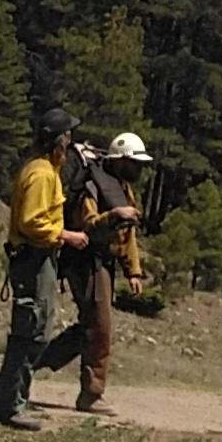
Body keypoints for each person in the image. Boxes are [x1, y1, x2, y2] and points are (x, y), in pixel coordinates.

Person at [0, 113, 90, 430]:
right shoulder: (41, 175)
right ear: (57, 140)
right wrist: (66, 235)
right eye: (67, 136)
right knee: (31, 334)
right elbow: (32, 221)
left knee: (33, 332)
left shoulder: (43, 170)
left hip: (39, 259)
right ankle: (10, 406)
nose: (70, 142)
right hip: (34, 259)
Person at [59, 128, 151, 413]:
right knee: (99, 328)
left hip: (104, 265)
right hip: (86, 262)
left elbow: (128, 235)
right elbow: (86, 226)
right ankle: (92, 394)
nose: (139, 168)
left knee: (90, 328)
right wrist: (114, 215)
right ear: (120, 160)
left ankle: (31, 363)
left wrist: (133, 270)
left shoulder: (123, 189)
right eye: (135, 163)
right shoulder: (93, 186)